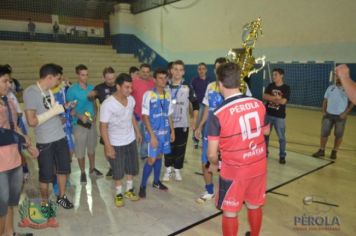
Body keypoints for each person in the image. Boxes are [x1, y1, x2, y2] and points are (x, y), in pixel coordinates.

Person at [208, 62, 269, 236]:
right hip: (258, 166)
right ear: (239, 81)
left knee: (230, 211)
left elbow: (212, 154)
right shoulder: (258, 103)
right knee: (254, 204)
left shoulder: (218, 114)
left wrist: (215, 163)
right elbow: (266, 131)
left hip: (234, 172)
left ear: (219, 83)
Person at [24, 63, 74, 209]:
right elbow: (32, 121)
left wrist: (59, 116)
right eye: (58, 79)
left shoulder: (49, 92)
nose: (58, 83)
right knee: (45, 176)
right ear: (50, 77)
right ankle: (45, 203)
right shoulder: (31, 92)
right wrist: (53, 112)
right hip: (45, 141)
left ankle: (61, 197)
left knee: (63, 169)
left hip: (60, 136)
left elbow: (49, 113)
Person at [0, 65, 36, 236]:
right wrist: (19, 138)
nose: (9, 84)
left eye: (9, 81)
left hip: (14, 160)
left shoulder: (8, 101)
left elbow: (14, 127)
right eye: (4, 81)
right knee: (1, 207)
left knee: (10, 203)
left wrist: (27, 142)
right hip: (0, 165)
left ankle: (10, 233)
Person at [100, 73, 142, 207]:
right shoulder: (108, 104)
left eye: (131, 87)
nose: (130, 90)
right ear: (118, 87)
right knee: (117, 171)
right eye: (127, 87)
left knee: (132, 166)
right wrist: (108, 146)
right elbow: (103, 126)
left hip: (129, 139)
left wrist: (137, 131)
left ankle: (129, 190)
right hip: (115, 142)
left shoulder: (131, 100)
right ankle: (118, 193)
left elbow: (131, 116)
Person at [194, 57, 227, 203]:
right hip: (210, 131)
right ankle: (209, 191)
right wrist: (200, 126)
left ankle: (228, 192)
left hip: (227, 133)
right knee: (205, 161)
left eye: (222, 68)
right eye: (217, 68)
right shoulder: (210, 86)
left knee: (226, 165)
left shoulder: (237, 87)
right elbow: (207, 108)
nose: (219, 71)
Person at [138, 68, 175, 198]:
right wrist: (152, 136)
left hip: (165, 133)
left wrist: (172, 131)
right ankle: (142, 185)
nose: (163, 80)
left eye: (165, 78)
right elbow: (145, 116)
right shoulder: (149, 94)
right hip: (153, 134)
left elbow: (169, 114)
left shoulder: (168, 94)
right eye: (160, 78)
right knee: (151, 159)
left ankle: (156, 182)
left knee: (159, 157)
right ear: (154, 80)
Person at [163, 60, 199, 182]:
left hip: (183, 123)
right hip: (167, 124)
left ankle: (177, 170)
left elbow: (195, 104)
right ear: (171, 71)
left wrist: (194, 119)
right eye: (175, 69)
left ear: (183, 72)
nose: (178, 72)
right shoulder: (165, 87)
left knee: (180, 148)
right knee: (168, 147)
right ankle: (168, 170)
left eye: (180, 69)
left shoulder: (187, 87)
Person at [66, 64, 103, 184]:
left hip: (91, 124)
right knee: (80, 151)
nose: (85, 77)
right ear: (77, 75)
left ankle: (92, 169)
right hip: (79, 125)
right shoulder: (72, 90)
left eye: (87, 74)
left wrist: (95, 114)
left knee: (92, 148)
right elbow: (69, 109)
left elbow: (94, 103)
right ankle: (82, 172)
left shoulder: (91, 87)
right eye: (82, 75)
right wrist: (79, 116)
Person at [312, 73, 354, 159]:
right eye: (337, 77)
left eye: (340, 77)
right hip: (328, 115)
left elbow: (353, 101)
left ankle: (334, 151)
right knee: (324, 134)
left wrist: (346, 113)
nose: (338, 79)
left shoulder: (347, 89)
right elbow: (325, 100)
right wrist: (323, 111)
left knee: (339, 135)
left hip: (340, 117)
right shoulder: (330, 88)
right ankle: (321, 150)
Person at [88, 66, 117, 178]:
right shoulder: (99, 88)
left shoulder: (119, 86)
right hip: (106, 124)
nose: (111, 81)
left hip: (119, 123)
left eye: (113, 78)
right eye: (108, 79)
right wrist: (90, 96)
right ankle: (110, 166)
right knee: (107, 145)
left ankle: (118, 165)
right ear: (103, 78)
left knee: (119, 144)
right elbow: (91, 100)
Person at [263, 68, 290, 164]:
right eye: (273, 75)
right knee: (265, 136)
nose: (274, 76)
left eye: (276, 75)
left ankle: (282, 156)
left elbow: (283, 101)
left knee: (281, 138)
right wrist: (275, 98)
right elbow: (264, 96)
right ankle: (264, 152)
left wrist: (271, 99)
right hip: (268, 115)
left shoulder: (286, 88)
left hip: (279, 117)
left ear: (281, 75)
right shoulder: (270, 86)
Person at [131, 64, 155, 160]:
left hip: (149, 116)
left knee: (146, 136)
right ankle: (134, 156)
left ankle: (144, 154)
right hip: (136, 115)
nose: (145, 74)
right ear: (139, 72)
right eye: (143, 71)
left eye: (147, 72)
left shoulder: (153, 83)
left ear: (150, 73)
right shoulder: (133, 82)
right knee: (136, 136)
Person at [190, 62, 210, 149]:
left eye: (203, 69)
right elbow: (190, 93)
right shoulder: (194, 80)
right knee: (197, 124)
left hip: (207, 106)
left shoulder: (210, 81)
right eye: (199, 69)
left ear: (206, 70)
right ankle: (195, 140)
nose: (201, 70)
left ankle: (205, 140)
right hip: (198, 105)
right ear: (197, 70)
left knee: (206, 124)